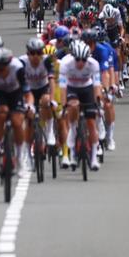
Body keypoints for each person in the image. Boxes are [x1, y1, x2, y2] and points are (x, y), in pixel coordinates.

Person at [0, 47, 34, 177]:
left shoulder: (18, 69)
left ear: (2, 67)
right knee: (1, 115)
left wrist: (29, 106)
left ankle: (19, 160)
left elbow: (28, 93)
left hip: (15, 95)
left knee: (17, 122)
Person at [57, 40, 102, 170]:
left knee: (92, 123)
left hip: (87, 88)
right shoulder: (65, 63)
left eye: (83, 59)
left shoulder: (93, 64)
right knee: (73, 106)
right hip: (71, 88)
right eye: (78, 59)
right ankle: (72, 154)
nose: (80, 63)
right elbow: (62, 87)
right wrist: (64, 105)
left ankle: (93, 158)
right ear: (73, 57)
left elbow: (97, 85)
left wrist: (98, 101)